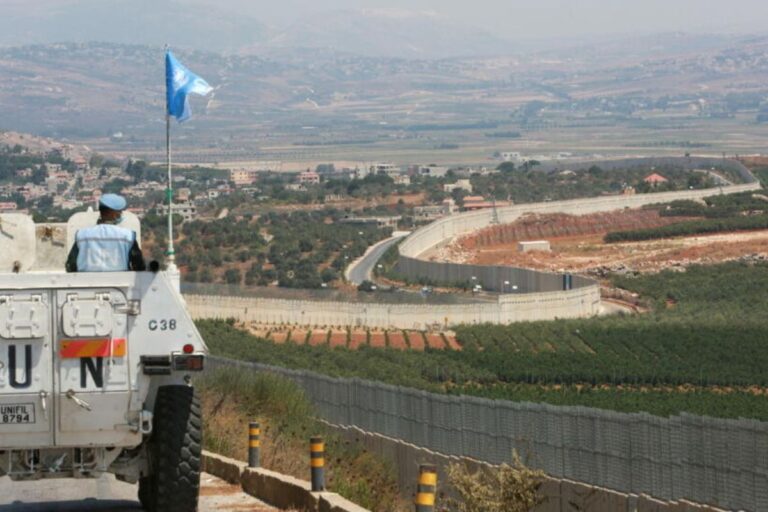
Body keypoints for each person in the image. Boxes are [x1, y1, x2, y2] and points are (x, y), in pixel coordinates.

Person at [66, 194, 146, 272]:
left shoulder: (82, 235)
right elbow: (138, 265)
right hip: (120, 283)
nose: (121, 215)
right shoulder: (127, 236)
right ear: (114, 214)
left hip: (86, 284)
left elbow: (70, 265)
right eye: (120, 212)